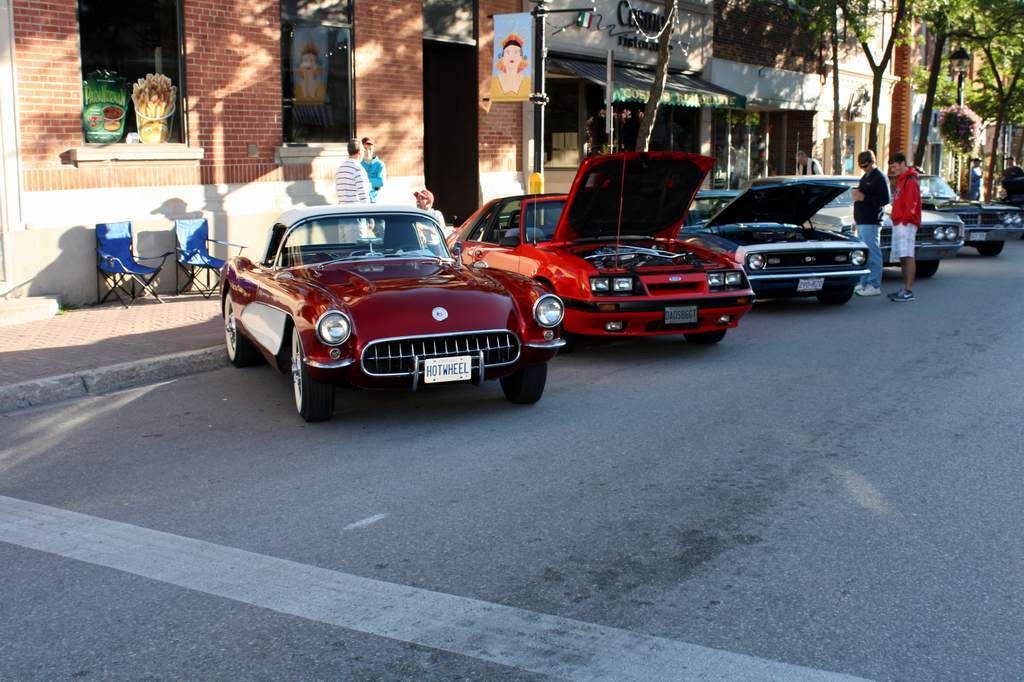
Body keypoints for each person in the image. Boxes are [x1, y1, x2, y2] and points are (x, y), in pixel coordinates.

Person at [851, 150, 889, 297]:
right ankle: (864, 282)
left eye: (866, 165)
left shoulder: (879, 177)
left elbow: (884, 200)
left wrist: (863, 197)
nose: (864, 168)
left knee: (872, 253)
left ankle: (874, 284)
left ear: (872, 162)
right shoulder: (866, 176)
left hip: (871, 220)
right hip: (862, 220)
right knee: (864, 254)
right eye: (862, 166)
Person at [887, 152, 921, 302]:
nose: (893, 169)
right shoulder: (902, 180)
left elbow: (912, 203)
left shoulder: (910, 180)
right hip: (899, 221)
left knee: (907, 255)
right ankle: (905, 289)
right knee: (903, 256)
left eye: (894, 166)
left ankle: (908, 290)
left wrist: (905, 220)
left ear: (902, 164)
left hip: (905, 223)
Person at [490, 33, 530, 100]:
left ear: (521, 57)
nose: (512, 56)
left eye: (516, 52)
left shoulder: (526, 81)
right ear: (502, 57)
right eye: (507, 53)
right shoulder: (495, 80)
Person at [335, 138, 370, 206]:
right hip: (355, 212)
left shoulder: (340, 169)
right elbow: (363, 195)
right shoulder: (358, 168)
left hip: (342, 211)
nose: (364, 152)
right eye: (363, 150)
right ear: (359, 152)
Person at [360, 137, 386, 203]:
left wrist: (363, 181)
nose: (368, 152)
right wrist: (373, 181)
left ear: (373, 149)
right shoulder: (359, 165)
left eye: (370, 149)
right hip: (361, 202)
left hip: (375, 201)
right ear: (361, 150)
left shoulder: (380, 164)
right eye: (365, 149)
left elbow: (380, 183)